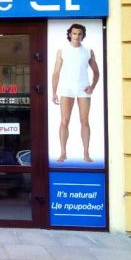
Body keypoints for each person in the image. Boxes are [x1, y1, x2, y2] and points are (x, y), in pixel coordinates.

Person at [51, 23, 100, 163]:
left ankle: (86, 153)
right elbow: (56, 73)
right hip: (67, 89)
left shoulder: (88, 51)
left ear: (83, 35)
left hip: (83, 88)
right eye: (74, 33)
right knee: (64, 121)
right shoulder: (62, 51)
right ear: (70, 34)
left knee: (84, 121)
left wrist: (92, 87)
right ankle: (63, 152)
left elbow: (96, 72)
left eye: (79, 34)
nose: (77, 36)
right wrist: (54, 93)